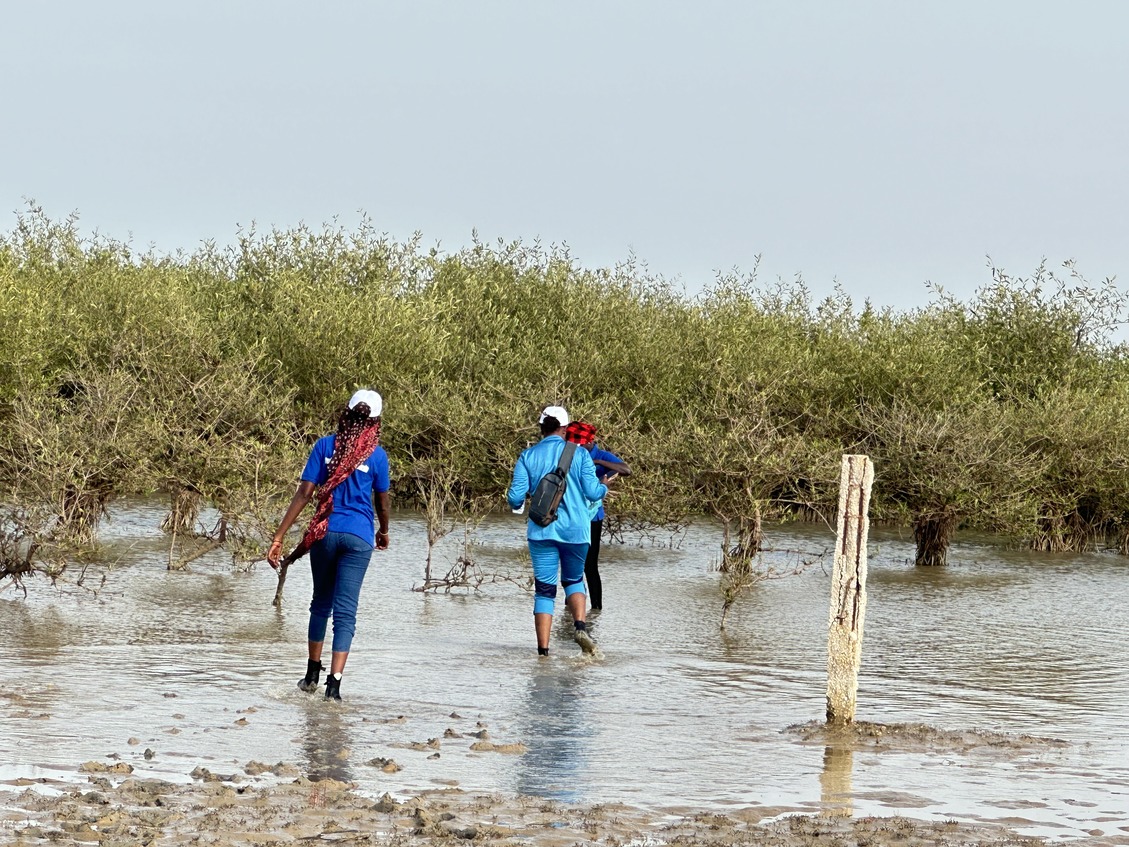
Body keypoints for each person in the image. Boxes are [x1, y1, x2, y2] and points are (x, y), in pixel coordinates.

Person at [267, 389, 391, 701]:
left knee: (320, 603)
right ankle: (333, 686)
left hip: (324, 533)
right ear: (375, 421)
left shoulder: (324, 446)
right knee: (346, 613)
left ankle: (311, 674)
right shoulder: (377, 456)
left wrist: (279, 536)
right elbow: (383, 501)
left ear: (346, 413)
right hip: (359, 537)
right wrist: (384, 531)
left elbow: (304, 493)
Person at [507, 405, 608, 656]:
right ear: (565, 428)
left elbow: (515, 497)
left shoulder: (527, 456)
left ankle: (543, 653)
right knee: (574, 580)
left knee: (544, 591)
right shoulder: (580, 454)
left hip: (541, 531)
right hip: (576, 531)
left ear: (541, 427)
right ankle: (581, 627)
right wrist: (604, 487)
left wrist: (521, 503)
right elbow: (593, 492)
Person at [564, 421, 631, 611]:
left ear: (590, 442)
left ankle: (596, 609)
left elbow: (626, 469)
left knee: (590, 565)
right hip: (571, 516)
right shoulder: (570, 453)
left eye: (581, 443)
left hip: (592, 518)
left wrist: (599, 463)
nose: (578, 446)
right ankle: (571, 608)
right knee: (571, 564)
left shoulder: (600, 455)